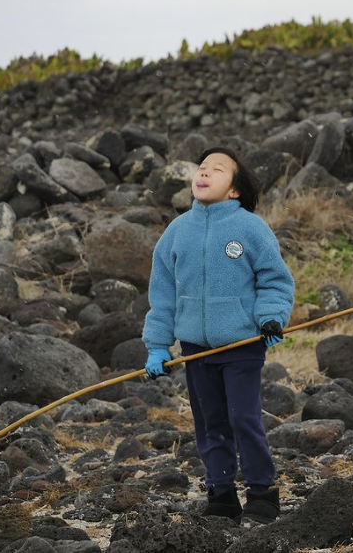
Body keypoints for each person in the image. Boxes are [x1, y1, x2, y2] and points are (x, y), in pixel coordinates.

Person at [142, 147, 295, 525]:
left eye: (218, 169)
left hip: (241, 344)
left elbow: (274, 281)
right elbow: (162, 293)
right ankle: (222, 493)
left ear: (234, 190)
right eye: (202, 167)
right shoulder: (177, 231)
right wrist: (158, 345)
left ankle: (263, 490)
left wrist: (270, 319)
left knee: (243, 418)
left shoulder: (250, 227)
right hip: (195, 349)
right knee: (209, 421)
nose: (205, 172)